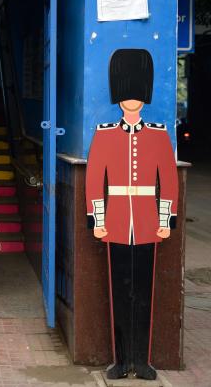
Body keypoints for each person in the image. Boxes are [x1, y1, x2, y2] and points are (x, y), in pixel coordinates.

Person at [85, 49, 178, 380]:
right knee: (119, 293)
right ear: (119, 96)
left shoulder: (157, 134)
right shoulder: (106, 134)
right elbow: (95, 180)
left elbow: (167, 180)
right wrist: (98, 219)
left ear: (144, 95)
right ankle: (121, 361)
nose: (132, 100)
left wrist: (165, 220)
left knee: (144, 294)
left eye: (137, 93)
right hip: (117, 223)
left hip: (149, 223)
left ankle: (143, 360)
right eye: (127, 94)